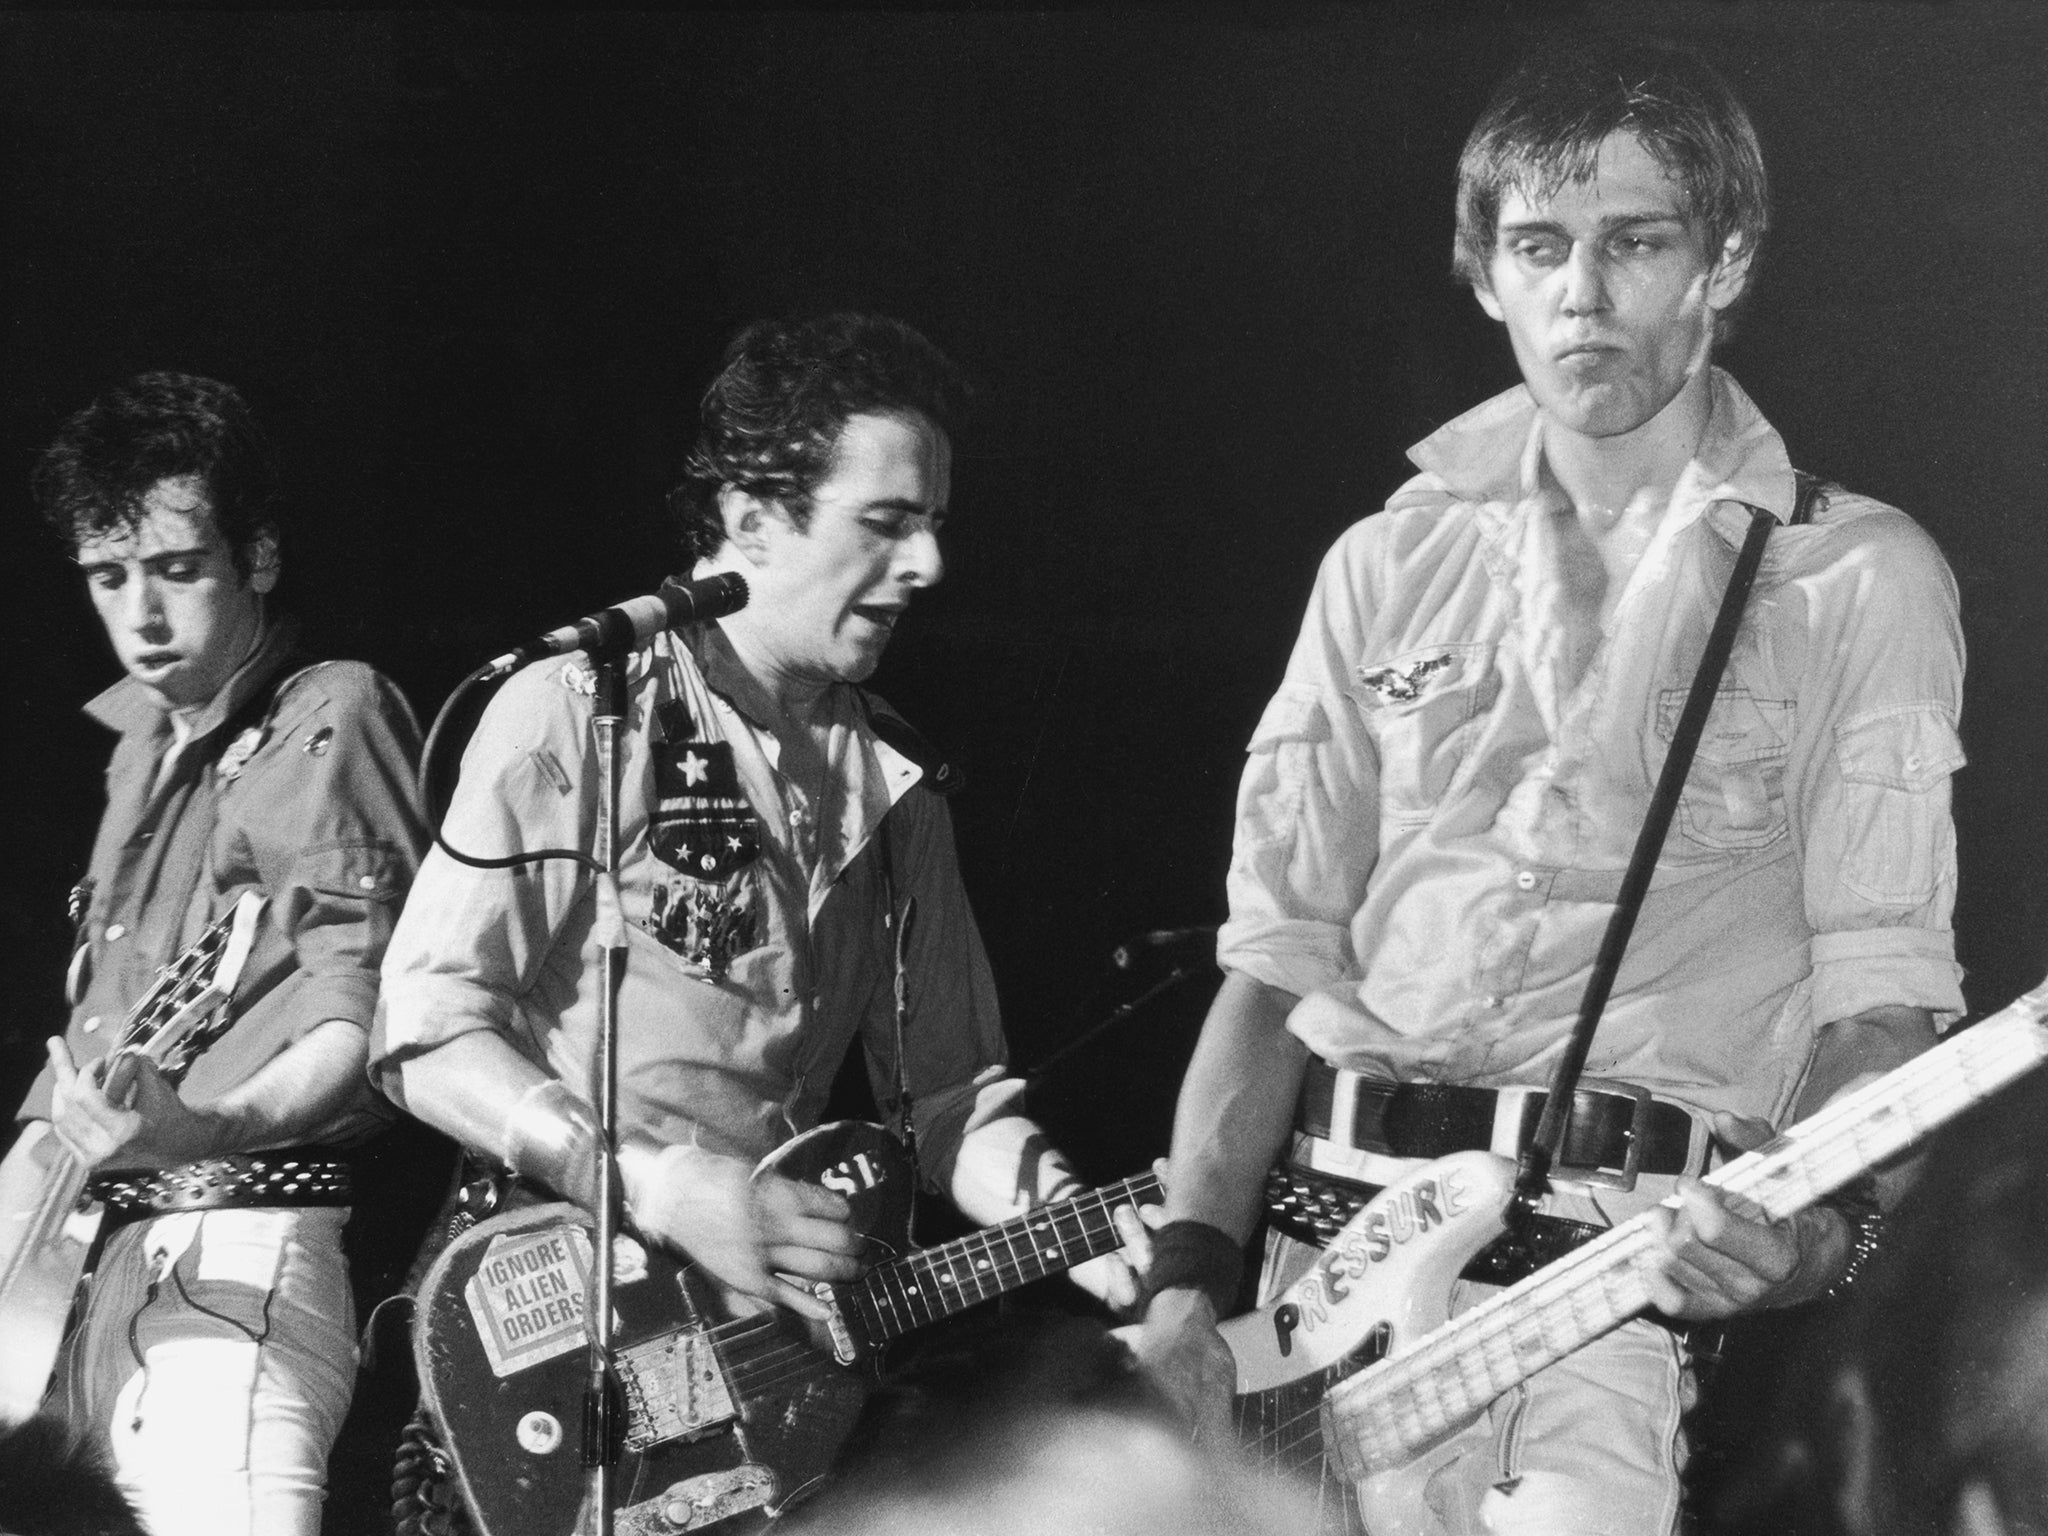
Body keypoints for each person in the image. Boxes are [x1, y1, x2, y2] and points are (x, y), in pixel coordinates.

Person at [1134, 38, 1966, 1536]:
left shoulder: (1854, 576)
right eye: (1539, 247)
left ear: (1725, 259)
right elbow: (1269, 972)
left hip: (1591, 1297)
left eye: (1635, 243)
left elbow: (1883, 1006)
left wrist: (1809, 1243)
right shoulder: (1382, 560)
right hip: (1304, 1289)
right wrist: (1187, 1284)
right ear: (1484, 274)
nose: (1581, 294)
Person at [374, 314, 1140, 1388]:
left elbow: (950, 1102)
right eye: (884, 523)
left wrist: (1079, 1220)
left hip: (756, 1359)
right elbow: (423, 1027)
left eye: (931, 524)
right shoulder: (577, 709)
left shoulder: (897, 788)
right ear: (750, 519)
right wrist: (650, 1179)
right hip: (542, 1324)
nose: (926, 562)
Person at [0, 372, 427, 1536]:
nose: (141, 613)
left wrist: (215, 1125)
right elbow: (90, 1053)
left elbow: (365, 1012)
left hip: (240, 1237)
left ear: (260, 558)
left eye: (178, 569)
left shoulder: (328, 713)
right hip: (85, 1266)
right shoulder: (135, 747)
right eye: (108, 577)